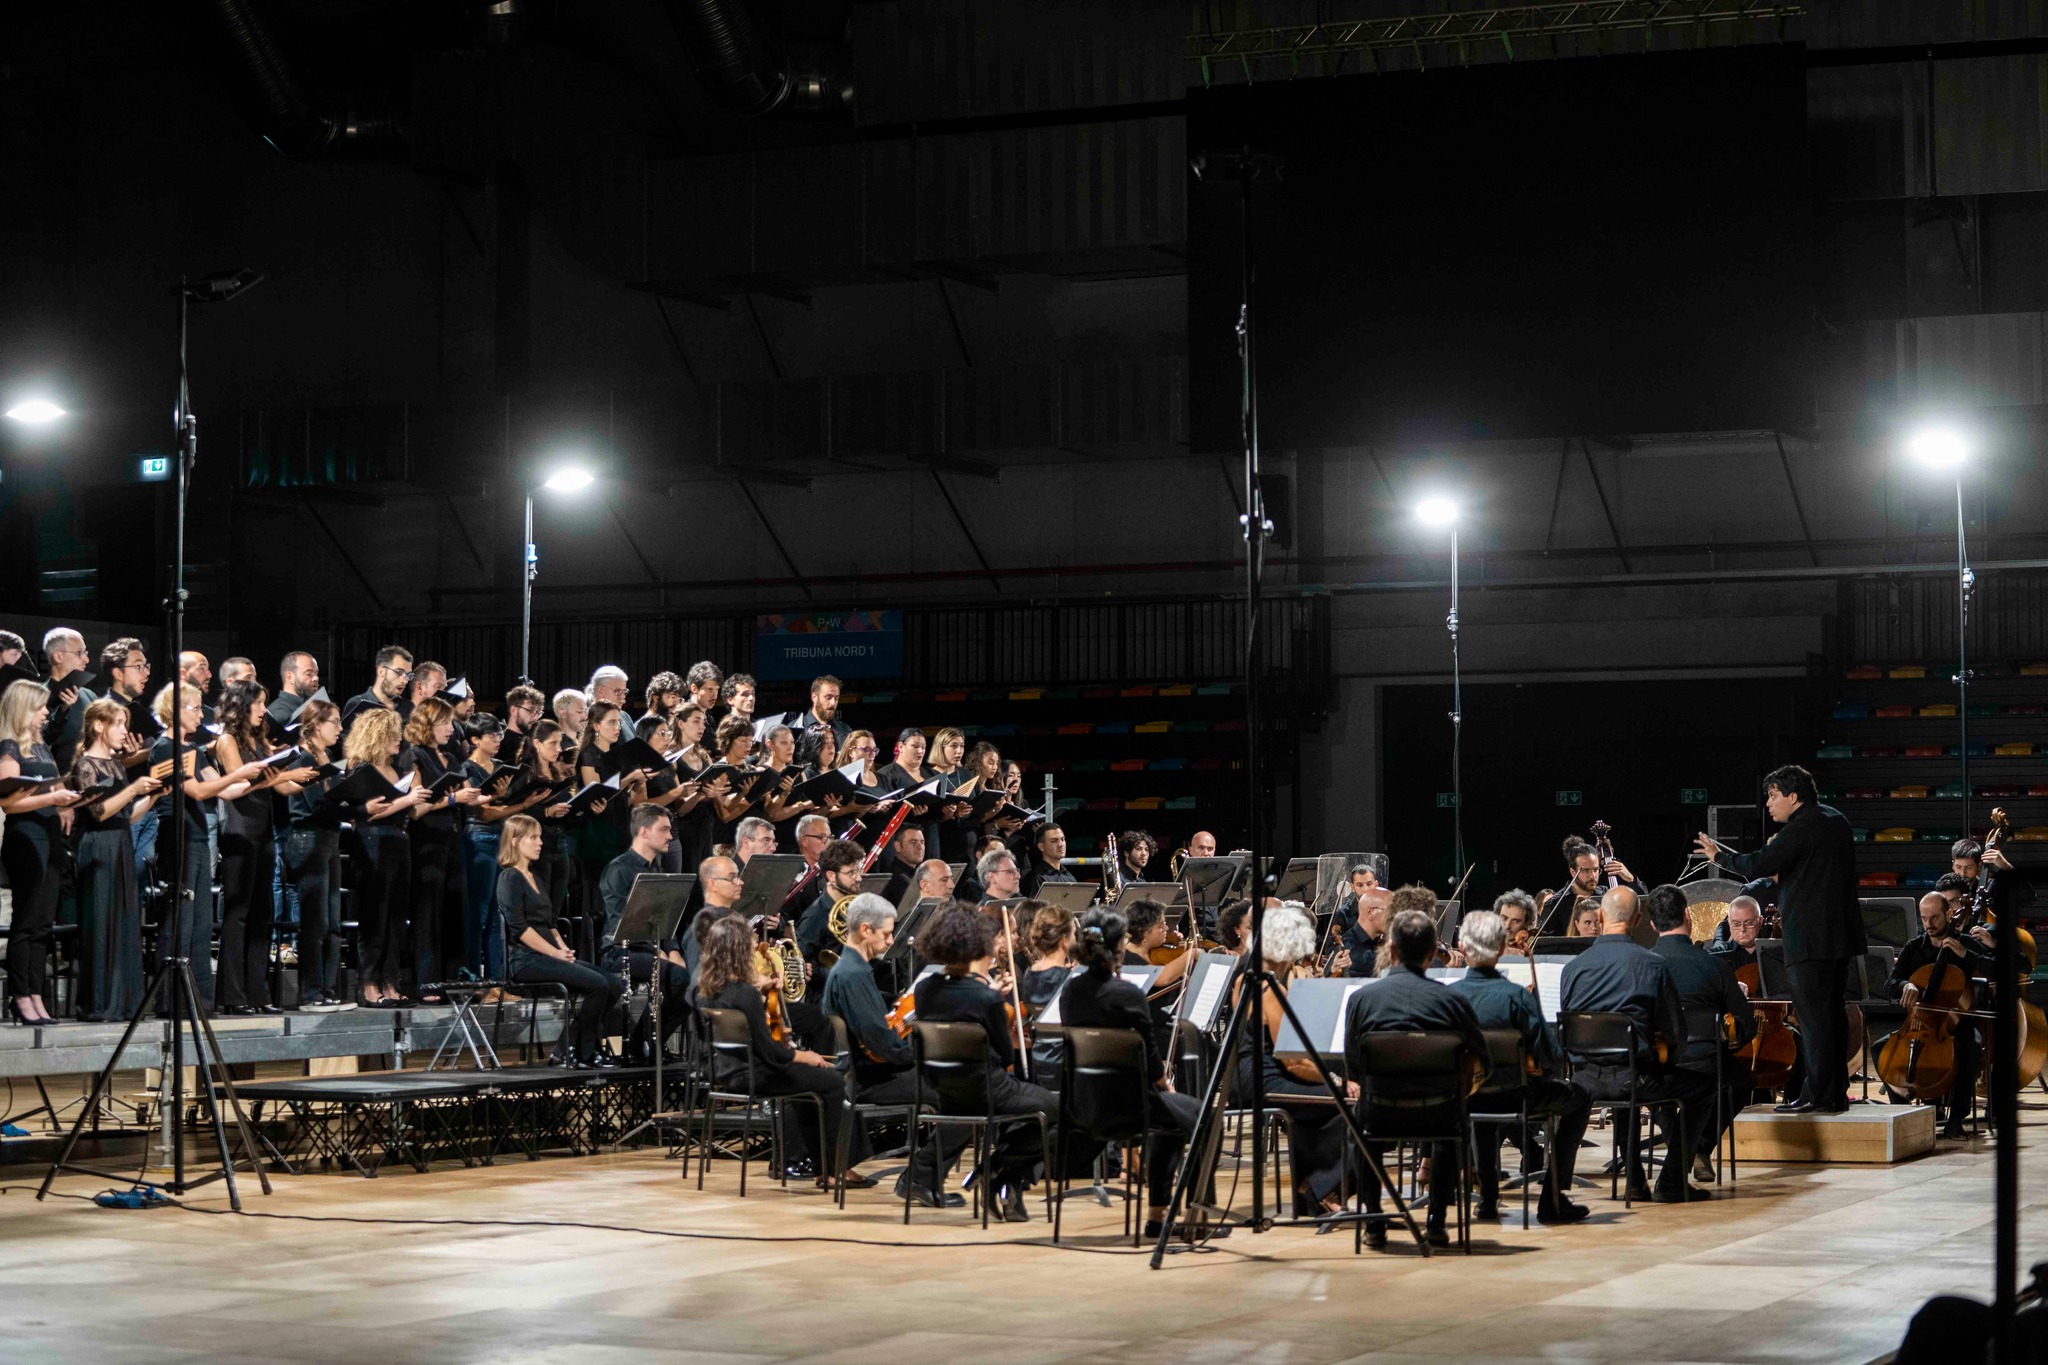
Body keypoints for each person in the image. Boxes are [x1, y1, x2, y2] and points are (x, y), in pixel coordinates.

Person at [1695, 763, 1864, 1114]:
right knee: (1831, 1016)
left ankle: (1818, 1096)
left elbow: (1759, 862)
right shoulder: (1836, 820)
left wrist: (1718, 856)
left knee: (1814, 1022)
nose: (1769, 804)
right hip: (1839, 937)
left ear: (1793, 795)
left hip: (1809, 940)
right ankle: (1833, 1093)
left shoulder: (1801, 827)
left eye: (1773, 796)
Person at [1061, 905, 1218, 1239]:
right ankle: (1195, 1216)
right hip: (1131, 1108)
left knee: (1172, 1124)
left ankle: (1159, 1218)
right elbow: (1151, 1060)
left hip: (1083, 1104)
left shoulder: (1071, 992)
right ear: (1120, 948)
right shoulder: (1128, 994)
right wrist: (1167, 1088)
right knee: (1205, 1117)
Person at [1558, 887, 1718, 1202]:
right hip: (1635, 1079)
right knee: (1704, 1086)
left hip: (1583, 1082)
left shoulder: (1572, 969)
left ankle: (1635, 1179)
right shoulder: (1652, 964)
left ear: (1601, 917)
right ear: (1638, 919)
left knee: (1628, 1072)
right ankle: (1672, 1181)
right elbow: (1675, 1032)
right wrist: (1665, 1059)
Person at [1343, 903, 1490, 1246]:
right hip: (1437, 1112)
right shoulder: (1452, 1000)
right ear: (1431, 954)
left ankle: (1375, 1222)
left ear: (1390, 950)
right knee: (1454, 1123)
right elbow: (1481, 1057)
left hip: (1379, 1112)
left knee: (1356, 1127)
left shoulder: (1362, 999)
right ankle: (1437, 1222)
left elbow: (1352, 1065)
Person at [911, 900, 1060, 1222]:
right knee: (1056, 1108)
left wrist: (989, 993)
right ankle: (999, 1170)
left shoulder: (924, 989)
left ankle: (987, 1178)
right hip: (987, 1090)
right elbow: (1006, 1055)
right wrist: (994, 999)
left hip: (945, 1087)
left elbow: (959, 1006)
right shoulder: (987, 997)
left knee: (1017, 1108)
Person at [1450, 908, 1591, 1225]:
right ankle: (1553, 1198)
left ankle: (1487, 1200)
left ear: (1462, 947)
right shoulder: (1516, 996)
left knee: (1480, 1105)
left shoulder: (1449, 997)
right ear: (1501, 949)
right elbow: (1550, 1056)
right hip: (1518, 1096)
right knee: (1580, 1099)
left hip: (1466, 1098)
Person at [819, 892, 959, 1205]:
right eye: (886, 933)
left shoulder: (850, 968)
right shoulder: (853, 975)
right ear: (865, 929)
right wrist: (919, 1054)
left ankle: (922, 1175)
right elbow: (879, 1041)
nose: (890, 940)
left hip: (870, 1072)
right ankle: (921, 1178)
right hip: (872, 1079)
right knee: (961, 1094)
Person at [696, 911, 850, 1185]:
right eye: (751, 942)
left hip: (723, 1074)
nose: (756, 946)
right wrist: (806, 1055)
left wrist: (761, 987)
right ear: (739, 949)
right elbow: (772, 1054)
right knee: (833, 1082)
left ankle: (820, 1168)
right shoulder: (745, 995)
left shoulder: (704, 991)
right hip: (755, 1076)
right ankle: (830, 1171)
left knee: (808, 1088)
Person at [211, 680, 316, 1015]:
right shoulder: (226, 740)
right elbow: (238, 784)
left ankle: (259, 993)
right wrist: (277, 778)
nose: (263, 709)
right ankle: (233, 995)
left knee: (263, 915)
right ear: (241, 705)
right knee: (238, 913)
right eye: (258, 702)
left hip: (263, 830)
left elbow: (277, 788)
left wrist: (299, 775)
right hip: (238, 831)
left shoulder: (259, 740)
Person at [1645, 883, 1755, 1178]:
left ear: (1653, 924)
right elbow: (1747, 1025)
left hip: (1657, 1064)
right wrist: (1729, 1045)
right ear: (1688, 915)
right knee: (1741, 1082)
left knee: (1651, 1083)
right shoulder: (1714, 965)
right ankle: (1698, 1145)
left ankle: (1680, 1144)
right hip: (1706, 1061)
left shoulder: (1642, 965)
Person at [498, 814, 624, 1068]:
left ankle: (566, 1047)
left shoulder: (536, 877)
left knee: (614, 983)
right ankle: (586, 1051)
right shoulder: (509, 878)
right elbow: (521, 929)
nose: (540, 843)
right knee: (598, 985)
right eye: (533, 837)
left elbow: (550, 923)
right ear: (514, 841)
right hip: (525, 961)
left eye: (540, 837)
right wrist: (554, 954)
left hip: (548, 955)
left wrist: (564, 950)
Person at [68, 699, 163, 1022]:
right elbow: (99, 812)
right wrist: (134, 787)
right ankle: (98, 1002)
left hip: (120, 844)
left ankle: (123, 1000)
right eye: (119, 723)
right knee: (101, 924)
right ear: (98, 726)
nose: (125, 730)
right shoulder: (85, 765)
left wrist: (152, 796)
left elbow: (127, 816)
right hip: (97, 848)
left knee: (123, 922)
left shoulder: (117, 766)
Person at [1, 679, 84, 1024]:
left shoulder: (39, 746)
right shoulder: (9, 747)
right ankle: (20, 996)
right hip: (26, 838)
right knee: (27, 920)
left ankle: (35, 993)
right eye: (39, 707)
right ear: (23, 709)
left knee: (42, 924)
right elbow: (8, 803)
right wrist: (52, 798)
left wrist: (66, 801)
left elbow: (51, 786)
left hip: (49, 834)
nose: (45, 713)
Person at [1887, 891, 1995, 1138]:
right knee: (1882, 1051)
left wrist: (1966, 954)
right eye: (1924, 918)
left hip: (1957, 1025)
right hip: (1919, 1024)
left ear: (1948, 914)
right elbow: (1890, 982)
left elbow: (2000, 966)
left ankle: (1956, 1118)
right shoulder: (1914, 947)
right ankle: (1905, 1114)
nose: (1929, 924)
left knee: (1969, 1049)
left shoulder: (1963, 942)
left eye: (1934, 918)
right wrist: (1905, 985)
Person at [342, 707, 431, 1007]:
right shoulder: (361, 769)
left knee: (396, 917)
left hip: (398, 841)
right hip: (372, 841)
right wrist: (406, 799)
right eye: (393, 734)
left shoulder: (397, 769)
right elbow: (370, 812)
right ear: (378, 735)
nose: (399, 739)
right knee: (374, 916)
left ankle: (391, 982)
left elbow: (412, 809)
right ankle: (368, 985)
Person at [404, 696, 486, 999]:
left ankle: (455, 978)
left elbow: (470, 797)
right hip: (426, 841)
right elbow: (416, 808)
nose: (451, 728)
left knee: (456, 908)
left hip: (452, 840)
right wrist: (452, 800)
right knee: (428, 912)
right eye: (444, 723)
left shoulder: (450, 759)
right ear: (427, 724)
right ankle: (427, 982)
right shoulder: (414, 755)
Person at [280, 699, 351, 1010]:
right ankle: (311, 993)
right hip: (308, 839)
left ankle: (329, 988)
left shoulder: (329, 757)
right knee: (316, 921)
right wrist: (354, 804)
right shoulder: (302, 760)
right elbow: (316, 805)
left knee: (333, 921)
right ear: (317, 725)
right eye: (334, 722)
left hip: (330, 838)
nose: (340, 728)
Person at [1542, 836, 1643, 935]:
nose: (1593, 876)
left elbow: (1642, 905)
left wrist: (1631, 879)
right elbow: (1544, 944)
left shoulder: (1606, 895)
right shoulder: (1555, 904)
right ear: (1573, 872)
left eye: (1595, 870)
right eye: (1586, 870)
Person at [797, 837, 865, 965]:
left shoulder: (855, 908)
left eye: (858, 871)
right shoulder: (815, 916)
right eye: (851, 873)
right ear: (831, 876)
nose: (859, 878)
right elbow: (803, 965)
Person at [40, 627, 97, 771]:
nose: (87, 659)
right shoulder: (37, 697)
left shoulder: (89, 696)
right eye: (80, 653)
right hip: (57, 786)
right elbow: (38, 744)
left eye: (86, 653)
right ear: (58, 656)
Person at [342, 644, 414, 733]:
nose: (405, 681)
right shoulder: (357, 704)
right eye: (399, 672)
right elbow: (346, 743)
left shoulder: (409, 708)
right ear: (381, 671)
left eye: (408, 675)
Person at [266, 650, 321, 730]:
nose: (316, 678)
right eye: (309, 674)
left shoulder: (312, 706)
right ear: (290, 677)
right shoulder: (279, 713)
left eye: (316, 674)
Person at [1021, 822, 1073, 898]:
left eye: (1062, 839)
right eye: (1054, 841)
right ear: (1041, 846)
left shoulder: (1069, 877)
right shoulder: (1036, 878)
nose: (1060, 844)